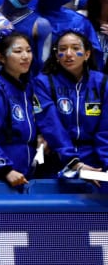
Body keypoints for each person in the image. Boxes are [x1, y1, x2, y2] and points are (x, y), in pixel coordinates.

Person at [35, 30, 108, 176]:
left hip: (95, 159)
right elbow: (51, 125)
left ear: (87, 54)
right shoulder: (43, 82)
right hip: (57, 158)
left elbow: (105, 130)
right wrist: (73, 162)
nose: (68, 54)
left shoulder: (102, 83)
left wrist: (105, 164)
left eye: (75, 48)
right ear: (56, 56)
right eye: (62, 49)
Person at [0, 32, 38, 188]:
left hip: (27, 171)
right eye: (18, 51)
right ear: (1, 58)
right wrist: (5, 169)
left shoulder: (28, 87)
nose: (25, 56)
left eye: (29, 50)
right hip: (1, 175)